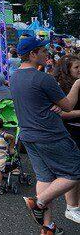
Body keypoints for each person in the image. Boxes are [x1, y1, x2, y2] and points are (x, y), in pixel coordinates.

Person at [10, 38, 80, 234]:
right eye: (42, 51)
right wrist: (77, 85)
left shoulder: (15, 76)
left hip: (28, 135)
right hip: (50, 134)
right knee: (74, 172)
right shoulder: (43, 79)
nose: (46, 54)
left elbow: (37, 101)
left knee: (45, 178)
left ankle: (47, 227)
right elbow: (67, 106)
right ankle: (37, 203)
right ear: (33, 54)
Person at [53, 54, 80, 224]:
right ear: (67, 70)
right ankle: (72, 207)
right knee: (74, 171)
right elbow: (61, 113)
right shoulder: (61, 87)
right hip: (71, 132)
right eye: (76, 67)